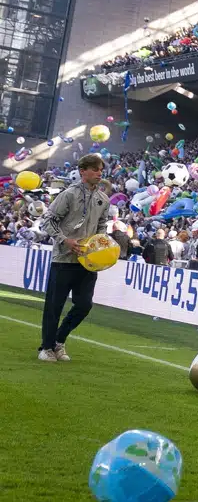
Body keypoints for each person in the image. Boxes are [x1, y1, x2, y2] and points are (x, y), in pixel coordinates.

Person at [35, 154, 110, 362]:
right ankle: (46, 348)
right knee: (54, 306)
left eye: (101, 170)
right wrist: (64, 240)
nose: (99, 173)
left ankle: (59, 340)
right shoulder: (68, 195)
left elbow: (102, 225)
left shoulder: (103, 199)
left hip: (88, 262)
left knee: (84, 305)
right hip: (63, 259)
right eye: (95, 169)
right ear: (82, 171)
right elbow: (48, 220)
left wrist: (100, 243)